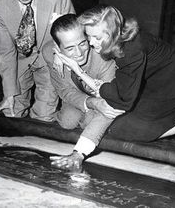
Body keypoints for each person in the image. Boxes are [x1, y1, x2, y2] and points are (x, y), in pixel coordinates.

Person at [52, 4, 175, 170]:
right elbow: (67, 36)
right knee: (123, 124)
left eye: (96, 38)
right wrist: (58, 53)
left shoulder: (129, 52)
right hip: (151, 79)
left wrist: (79, 72)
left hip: (173, 81)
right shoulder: (114, 34)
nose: (90, 43)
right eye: (88, 37)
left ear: (112, 33)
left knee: (129, 129)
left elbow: (121, 100)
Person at [0, 0, 75, 121]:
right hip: (20, 63)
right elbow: (5, 53)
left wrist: (61, 54)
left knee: (43, 117)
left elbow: (72, 33)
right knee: (11, 112)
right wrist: (9, 92)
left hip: (51, 60)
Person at [42, 14, 123, 171]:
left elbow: (108, 103)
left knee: (93, 121)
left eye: (82, 44)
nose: (79, 53)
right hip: (83, 97)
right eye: (70, 48)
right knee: (67, 121)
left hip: (106, 97)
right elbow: (63, 90)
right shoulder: (49, 53)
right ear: (57, 48)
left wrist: (78, 153)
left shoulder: (104, 58)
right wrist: (89, 103)